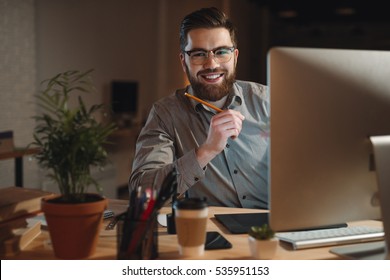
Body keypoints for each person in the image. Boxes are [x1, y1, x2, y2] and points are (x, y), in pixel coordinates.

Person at [129, 7, 269, 209]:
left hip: (272, 229)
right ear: (184, 62)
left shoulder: (267, 101)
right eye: (198, 54)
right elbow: (143, 193)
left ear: (235, 56)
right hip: (210, 231)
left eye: (221, 52)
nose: (211, 64)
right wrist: (206, 151)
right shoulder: (165, 113)